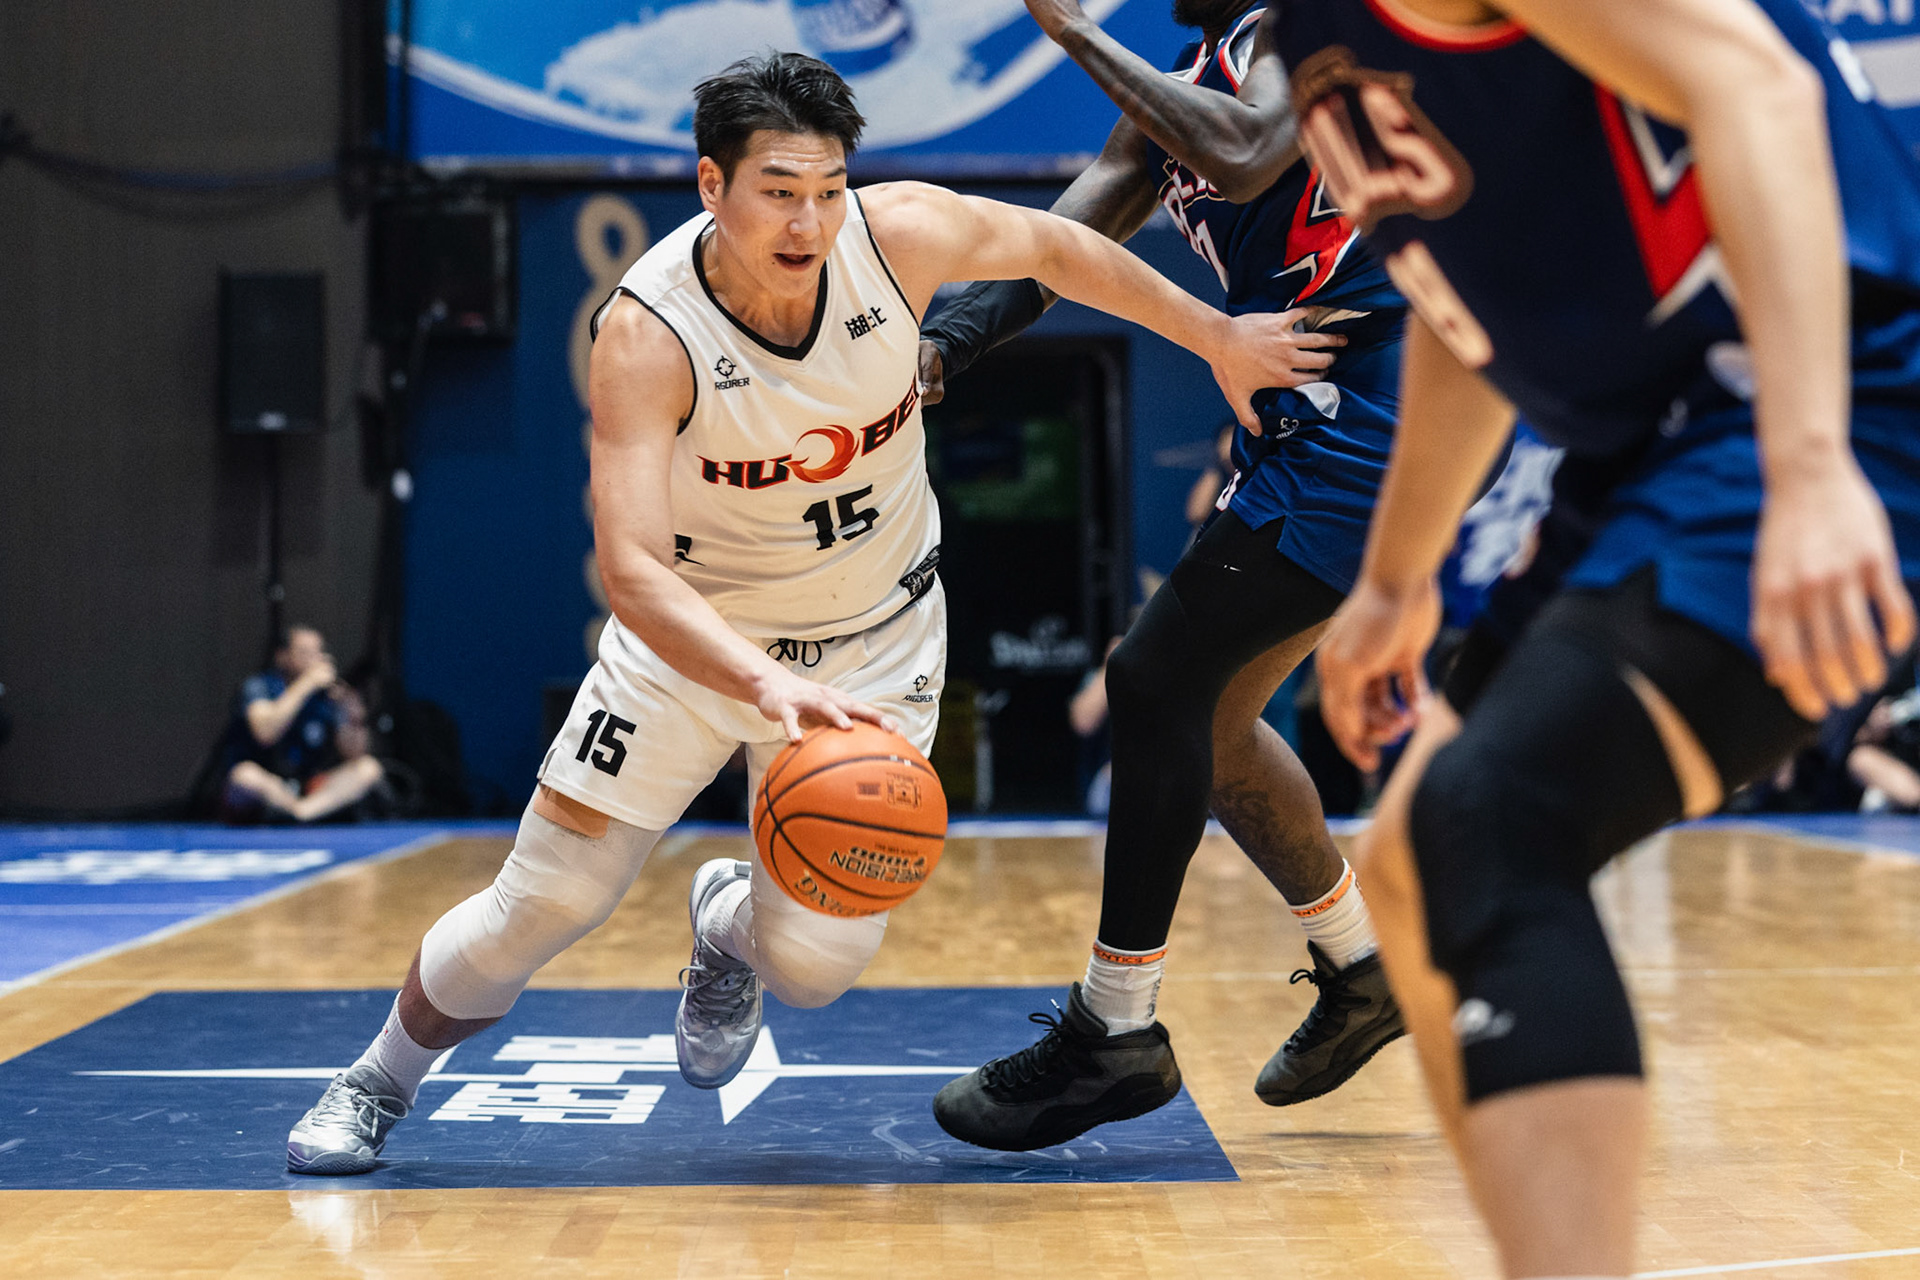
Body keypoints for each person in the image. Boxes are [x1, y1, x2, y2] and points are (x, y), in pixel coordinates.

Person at [285, 50, 1325, 1175]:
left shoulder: (901, 236)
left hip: (876, 643)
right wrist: (763, 682)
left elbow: (1062, 248)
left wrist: (1217, 336)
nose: (810, 219)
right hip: (696, 639)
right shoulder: (649, 331)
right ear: (710, 186)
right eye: (779, 190)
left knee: (817, 966)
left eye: (828, 188)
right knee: (544, 902)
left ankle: (728, 922)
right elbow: (632, 571)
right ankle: (375, 1080)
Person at [1277, 0, 1920, 1275]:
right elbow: (1466, 293)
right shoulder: (1308, 27)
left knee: (1497, 814)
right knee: (1410, 863)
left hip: (1827, 394)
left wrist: (1808, 461)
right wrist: (1398, 580)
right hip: (1646, 448)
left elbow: (1758, 87)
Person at [921, 0, 1409, 1153]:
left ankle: (1115, 1029)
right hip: (1305, 419)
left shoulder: (1303, 24)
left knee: (1151, 683)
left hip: (1381, 408)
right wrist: (945, 343)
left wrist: (1067, 32)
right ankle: (1362, 969)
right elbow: (1061, 245)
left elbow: (1245, 157)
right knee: (1220, 727)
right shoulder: (1181, 85)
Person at [220, 626, 386, 825]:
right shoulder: (260, 686)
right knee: (244, 776)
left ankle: (302, 813)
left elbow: (354, 753)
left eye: (317, 653)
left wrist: (352, 713)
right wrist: (306, 684)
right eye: (304, 652)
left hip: (309, 788)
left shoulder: (328, 695)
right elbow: (265, 733)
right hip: (269, 786)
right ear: (282, 656)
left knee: (368, 768)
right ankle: (291, 811)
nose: (313, 660)